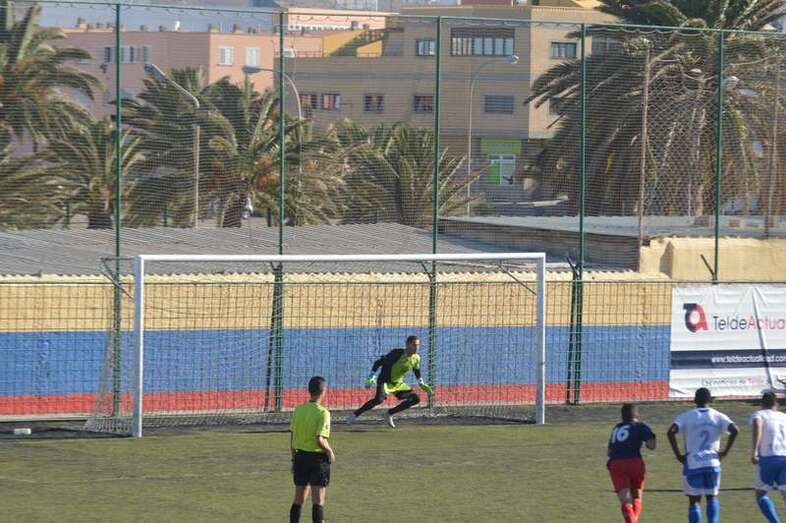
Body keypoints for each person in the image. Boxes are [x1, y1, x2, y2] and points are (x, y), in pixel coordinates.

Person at [667, 387, 738, 523]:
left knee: (694, 501)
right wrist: (724, 452)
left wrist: (678, 455)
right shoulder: (718, 415)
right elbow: (734, 430)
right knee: (711, 497)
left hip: (693, 462)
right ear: (710, 400)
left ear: (694, 400)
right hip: (712, 462)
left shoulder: (687, 416)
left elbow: (671, 432)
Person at [346, 335, 433, 428]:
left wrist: (421, 382)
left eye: (418, 345)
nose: (417, 347)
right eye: (414, 345)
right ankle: (355, 414)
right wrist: (371, 376)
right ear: (407, 345)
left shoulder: (416, 358)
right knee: (378, 400)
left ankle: (389, 413)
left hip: (398, 384)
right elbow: (378, 362)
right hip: (385, 380)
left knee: (415, 399)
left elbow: (416, 370)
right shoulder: (397, 354)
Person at [289, 376, 335, 523]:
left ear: (309, 390)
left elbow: (292, 438)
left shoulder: (298, 410)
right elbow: (320, 439)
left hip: (300, 457)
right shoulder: (323, 412)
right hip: (318, 460)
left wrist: (293, 459)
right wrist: (329, 451)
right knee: (318, 500)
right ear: (323, 391)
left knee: (298, 498)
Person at [607, 404, 656, 523]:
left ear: (622, 416)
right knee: (636, 496)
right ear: (637, 414)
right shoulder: (640, 425)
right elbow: (651, 445)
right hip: (635, 462)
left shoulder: (616, 428)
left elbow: (609, 452)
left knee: (626, 500)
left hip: (617, 463)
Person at [751, 391, 786, 523]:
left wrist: (754, 451)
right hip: (785, 457)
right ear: (776, 403)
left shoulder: (759, 415)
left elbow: (757, 424)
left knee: (760, 494)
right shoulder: (783, 416)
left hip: (768, 458)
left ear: (761, 404)